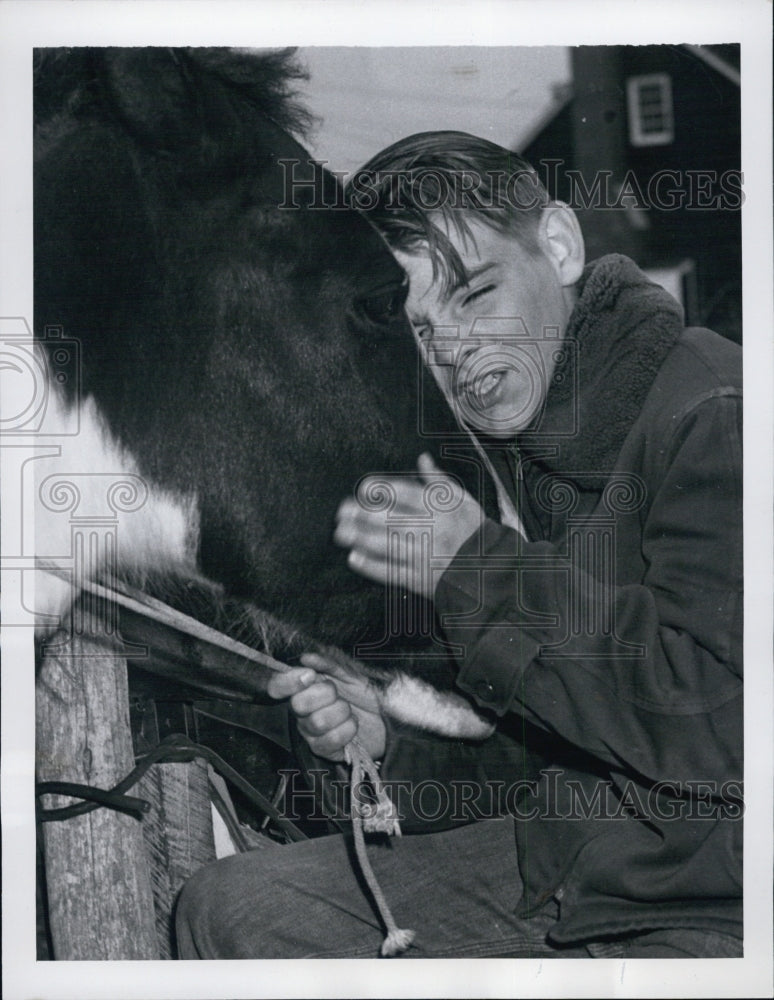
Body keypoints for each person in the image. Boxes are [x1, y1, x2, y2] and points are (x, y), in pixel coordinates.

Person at [175, 132, 743, 959]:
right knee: (228, 911)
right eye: (417, 331)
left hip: (716, 900)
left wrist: (477, 571)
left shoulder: (714, 412)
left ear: (557, 244)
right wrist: (391, 749)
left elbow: (722, 727)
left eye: (475, 295)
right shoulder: (514, 443)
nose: (454, 350)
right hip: (577, 858)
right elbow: (554, 749)